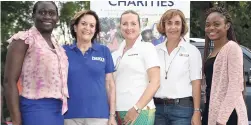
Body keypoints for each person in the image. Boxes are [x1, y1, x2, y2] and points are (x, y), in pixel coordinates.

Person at [3, 1, 68, 125]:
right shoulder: (24, 40)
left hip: (58, 111)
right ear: (33, 16)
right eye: (42, 12)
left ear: (57, 18)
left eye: (51, 13)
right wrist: (17, 120)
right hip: (35, 108)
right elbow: (8, 81)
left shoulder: (58, 46)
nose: (47, 16)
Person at [63, 10, 117, 125]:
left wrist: (112, 115)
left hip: (99, 116)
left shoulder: (104, 51)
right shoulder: (63, 51)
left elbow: (110, 85)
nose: (87, 28)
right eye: (83, 24)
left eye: (92, 25)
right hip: (70, 116)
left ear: (95, 30)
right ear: (75, 27)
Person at [154, 9, 202, 125]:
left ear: (182, 26)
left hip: (182, 110)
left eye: (177, 23)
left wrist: (196, 111)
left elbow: (196, 83)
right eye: (169, 23)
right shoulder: (154, 51)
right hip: (157, 110)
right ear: (163, 26)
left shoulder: (192, 51)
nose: (173, 27)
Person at [112, 10, 160, 125]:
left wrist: (136, 108)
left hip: (140, 111)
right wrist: (112, 113)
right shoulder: (115, 54)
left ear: (139, 26)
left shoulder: (147, 48)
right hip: (118, 111)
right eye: (125, 24)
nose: (129, 27)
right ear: (120, 27)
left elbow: (155, 82)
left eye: (133, 24)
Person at [202, 7, 248, 125]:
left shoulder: (232, 48)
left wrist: (222, 119)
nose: (211, 28)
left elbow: (235, 86)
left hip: (228, 114)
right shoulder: (212, 51)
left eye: (216, 24)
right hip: (211, 109)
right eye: (208, 25)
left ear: (227, 26)